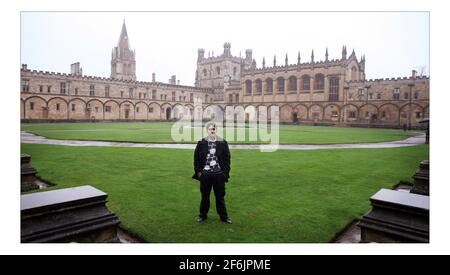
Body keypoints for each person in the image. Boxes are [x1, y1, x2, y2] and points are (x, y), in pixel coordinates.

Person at [192, 122, 232, 224]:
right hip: (205, 175)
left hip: (219, 175)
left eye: (214, 129)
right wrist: (198, 173)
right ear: (207, 130)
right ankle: (203, 215)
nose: (212, 130)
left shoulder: (223, 142)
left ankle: (224, 217)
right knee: (205, 197)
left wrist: (225, 174)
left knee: (220, 197)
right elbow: (196, 159)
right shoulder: (201, 143)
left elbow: (227, 159)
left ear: (216, 130)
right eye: (210, 129)